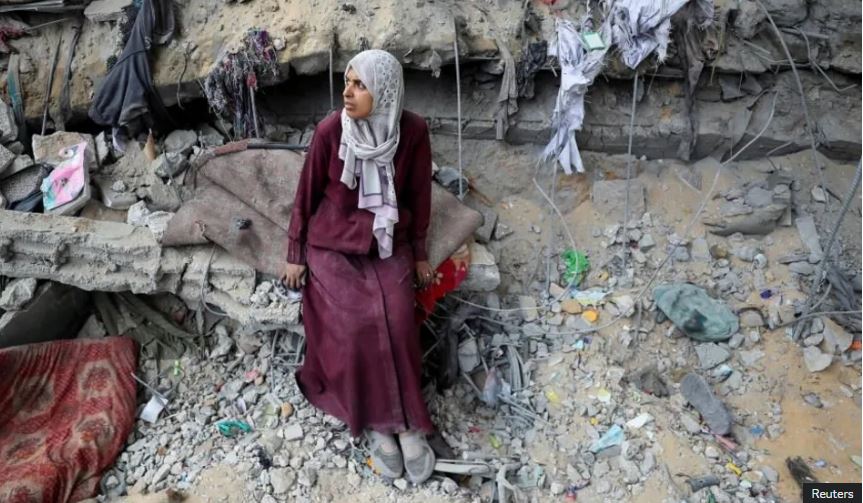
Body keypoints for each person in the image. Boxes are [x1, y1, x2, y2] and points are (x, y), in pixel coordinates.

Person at [282, 50, 436, 483]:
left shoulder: (413, 131)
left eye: (360, 85)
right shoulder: (331, 131)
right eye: (347, 82)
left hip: (387, 238)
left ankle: (405, 423)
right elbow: (306, 194)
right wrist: (294, 252)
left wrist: (420, 252)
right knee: (354, 323)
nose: (347, 93)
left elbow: (419, 195)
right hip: (333, 243)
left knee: (399, 318)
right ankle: (382, 424)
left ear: (384, 92)